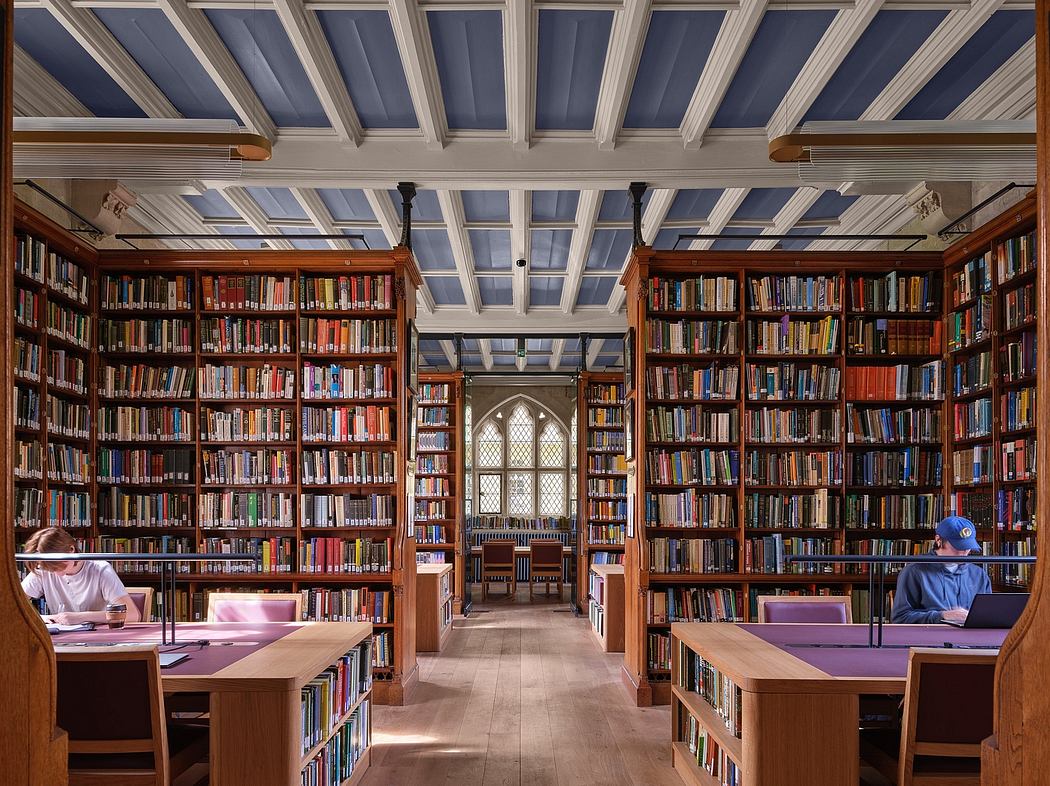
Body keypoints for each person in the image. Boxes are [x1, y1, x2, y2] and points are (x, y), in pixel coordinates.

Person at [21, 527, 141, 625]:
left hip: (99, 638)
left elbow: (132, 614)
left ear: (71, 550)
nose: (58, 574)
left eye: (59, 566)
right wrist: (40, 618)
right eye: (51, 569)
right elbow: (13, 604)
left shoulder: (100, 570)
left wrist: (80, 617)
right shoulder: (43, 570)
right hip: (61, 640)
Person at [891, 515, 991, 624]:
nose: (965, 552)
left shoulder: (978, 574)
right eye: (958, 546)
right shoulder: (914, 572)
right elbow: (900, 618)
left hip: (972, 639)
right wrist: (943, 615)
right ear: (938, 540)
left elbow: (988, 614)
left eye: (968, 546)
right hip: (931, 638)